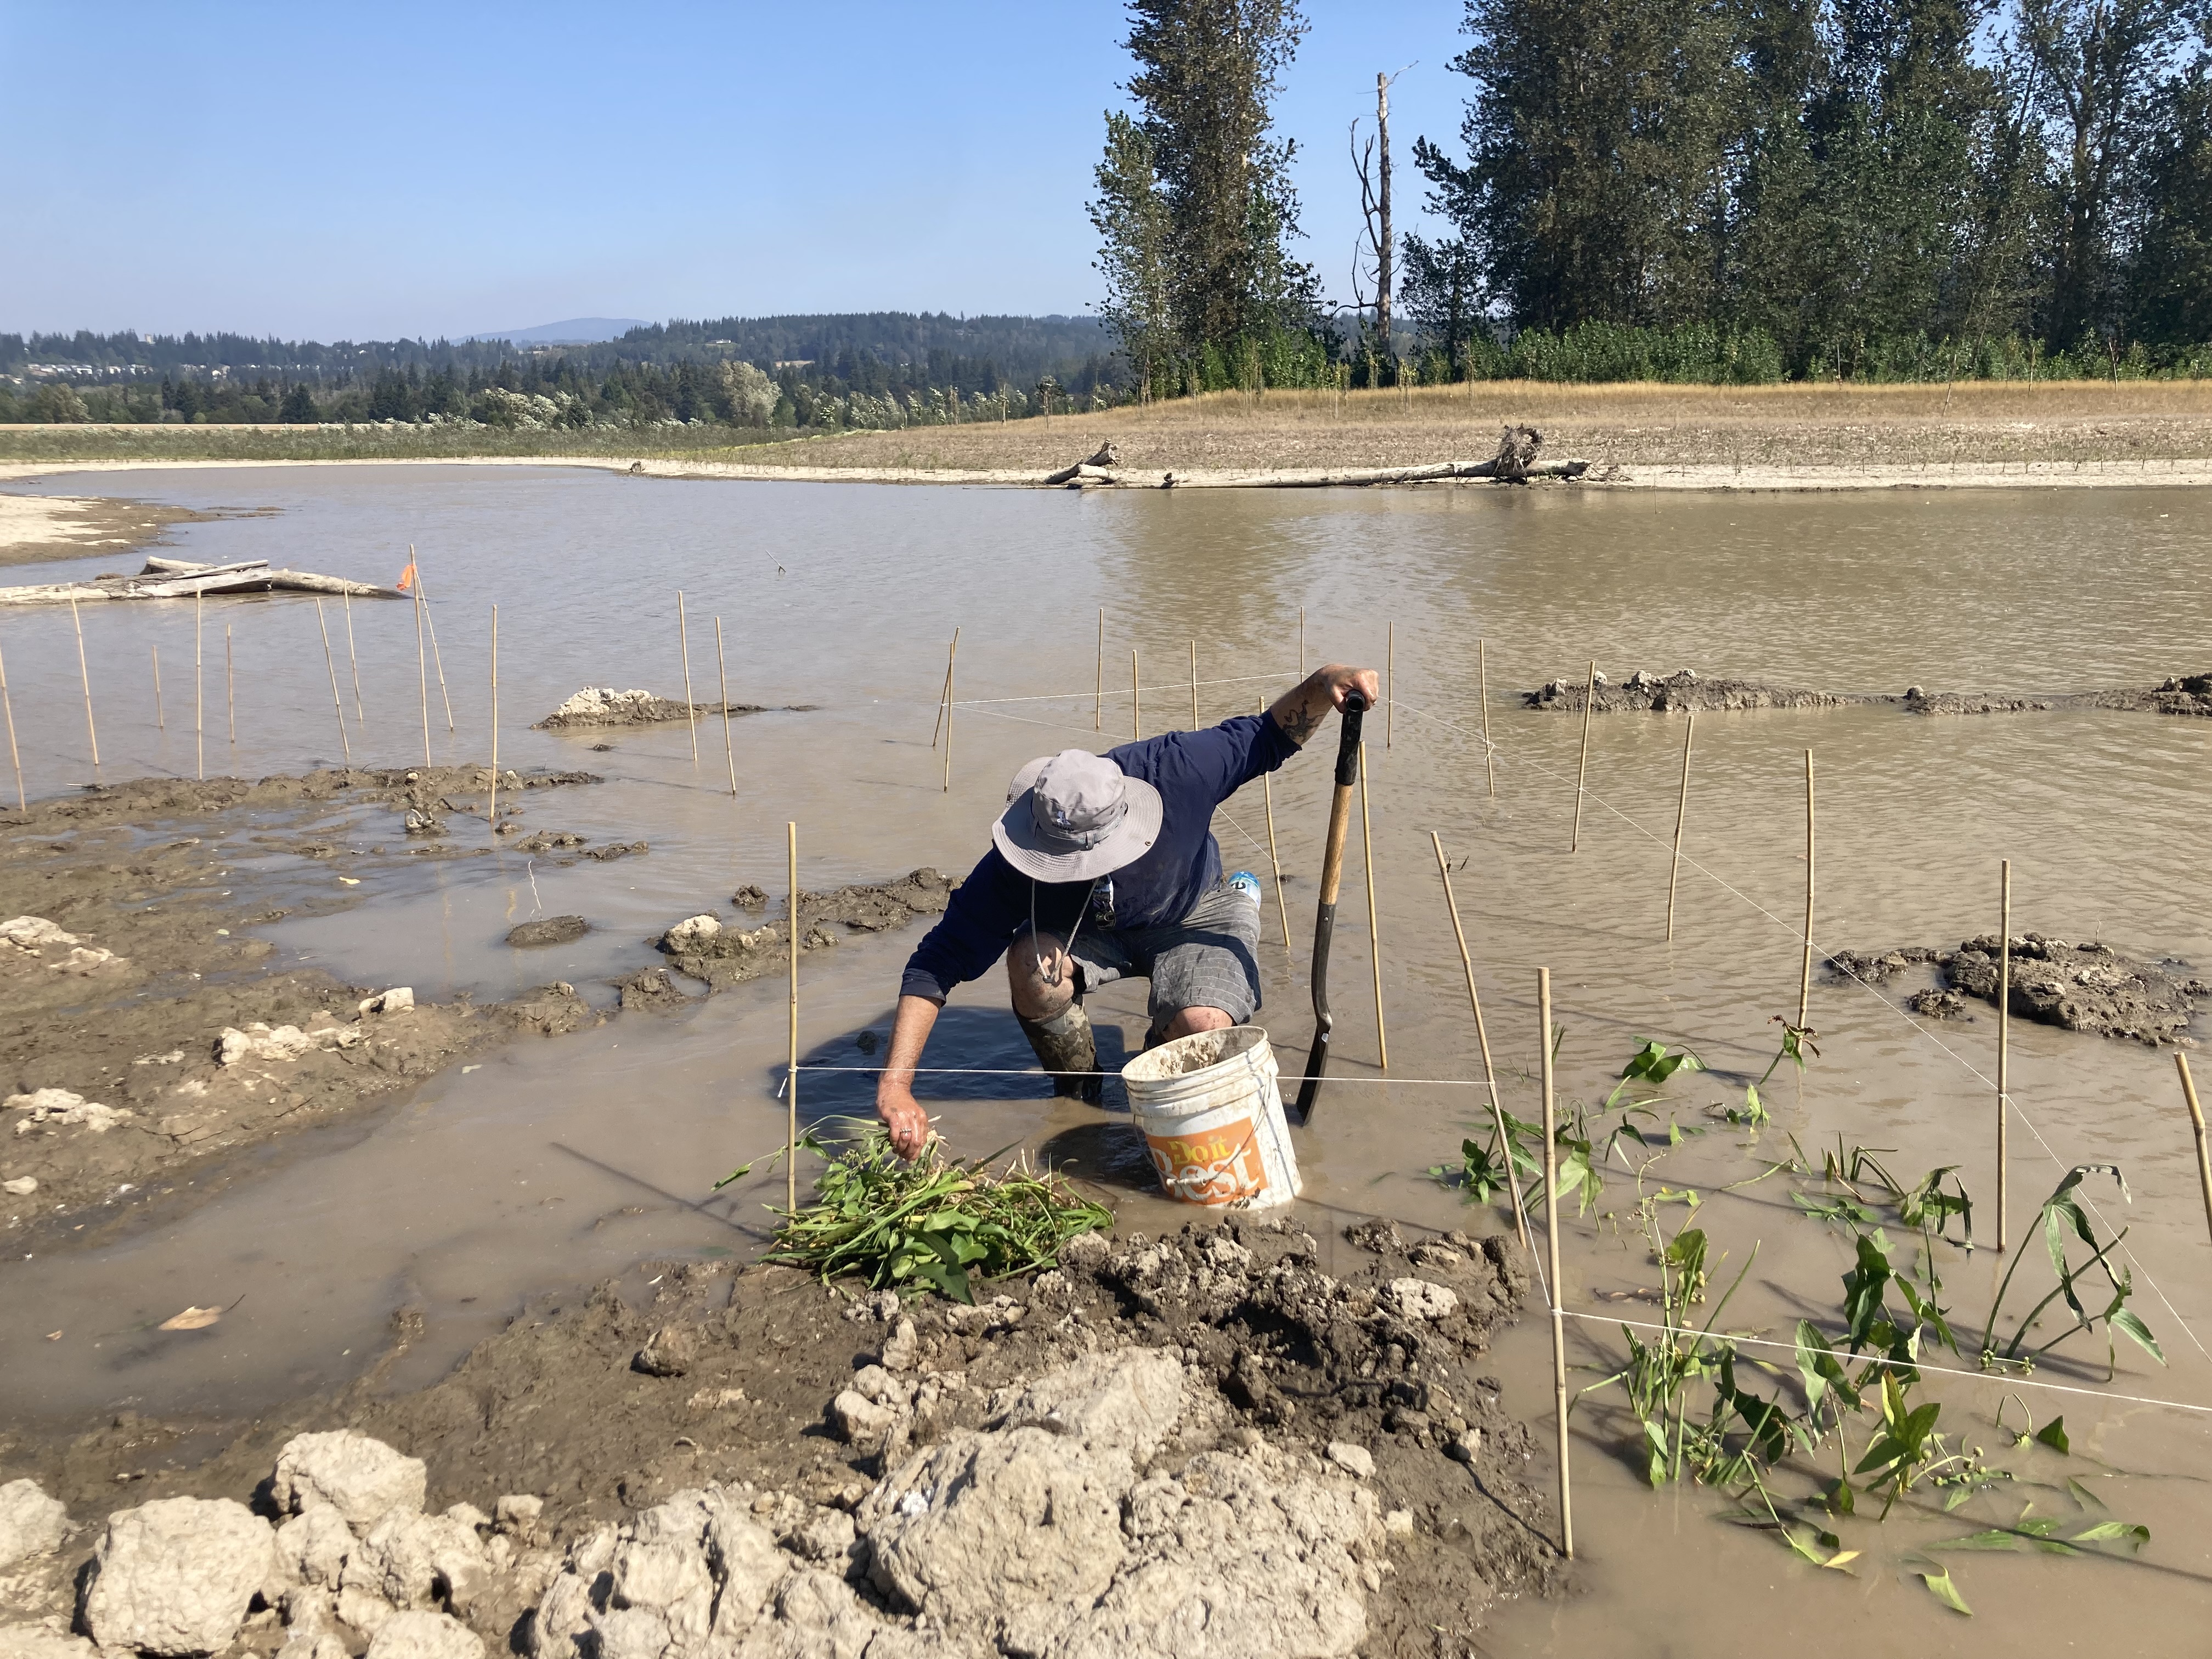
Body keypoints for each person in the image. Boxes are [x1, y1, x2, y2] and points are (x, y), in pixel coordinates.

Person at [876, 662, 1380, 1158]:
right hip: (1090, 931)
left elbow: (1272, 734)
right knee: (1031, 967)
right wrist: (897, 1086)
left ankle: (1164, 1046)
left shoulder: (1181, 769)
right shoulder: (1019, 853)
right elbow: (935, 963)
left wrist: (1325, 682)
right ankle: (1079, 1093)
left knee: (1203, 1031)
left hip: (1193, 911)